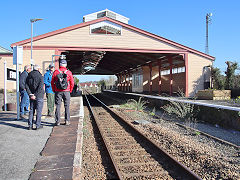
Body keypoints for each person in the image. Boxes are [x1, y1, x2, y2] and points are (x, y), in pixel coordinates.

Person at [51, 59, 74, 126]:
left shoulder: (56, 72)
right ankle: (67, 121)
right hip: (66, 91)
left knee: (58, 106)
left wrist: (54, 89)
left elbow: (52, 82)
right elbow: (72, 82)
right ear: (66, 65)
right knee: (67, 106)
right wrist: (70, 90)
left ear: (60, 65)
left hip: (58, 91)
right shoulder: (69, 72)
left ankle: (57, 121)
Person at [26, 65, 44, 130]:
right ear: (38, 69)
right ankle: (37, 125)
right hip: (39, 96)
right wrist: (35, 95)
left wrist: (31, 94)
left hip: (31, 96)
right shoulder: (40, 76)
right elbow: (40, 87)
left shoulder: (29, 76)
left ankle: (30, 125)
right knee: (39, 111)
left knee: (31, 110)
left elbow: (26, 86)